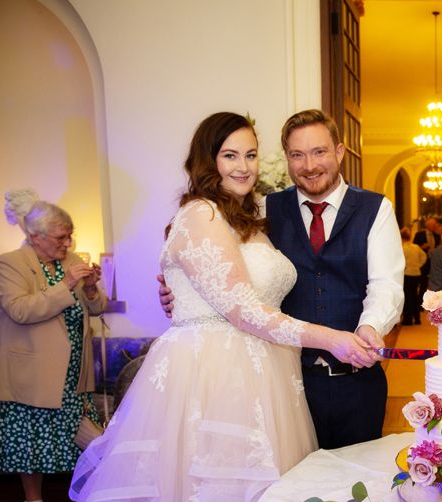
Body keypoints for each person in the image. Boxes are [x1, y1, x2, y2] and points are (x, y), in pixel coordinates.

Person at [0, 112, 373, 502]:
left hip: (269, 378)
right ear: (206, 161)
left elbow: (231, 288)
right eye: (229, 156)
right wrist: (334, 341)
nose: (243, 167)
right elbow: (243, 309)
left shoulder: (253, 218)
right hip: (212, 382)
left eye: (250, 155)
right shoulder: (198, 215)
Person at [161, 109, 403, 449]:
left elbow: (386, 285)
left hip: (356, 383)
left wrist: (370, 326)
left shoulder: (376, 208)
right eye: (297, 155)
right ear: (286, 158)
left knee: (357, 486)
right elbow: (213, 264)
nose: (309, 165)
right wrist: (177, 288)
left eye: (319, 152)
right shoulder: (260, 210)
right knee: (295, 491)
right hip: (291, 383)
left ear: (339, 152)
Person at [0, 190, 107, 502]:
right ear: (35, 236)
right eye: (61, 236)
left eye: (70, 235)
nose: (68, 242)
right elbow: (22, 310)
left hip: (73, 372)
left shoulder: (70, 259)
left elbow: (98, 308)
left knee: (95, 442)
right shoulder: (10, 263)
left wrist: (89, 288)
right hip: (33, 372)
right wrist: (66, 284)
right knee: (32, 442)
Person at [400, 227, 426, 325]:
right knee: (415, 296)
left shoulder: (402, 248)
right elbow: (424, 256)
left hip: (407, 274)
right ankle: (417, 318)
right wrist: (418, 265)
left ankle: (408, 319)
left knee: (407, 297)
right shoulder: (416, 247)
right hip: (416, 274)